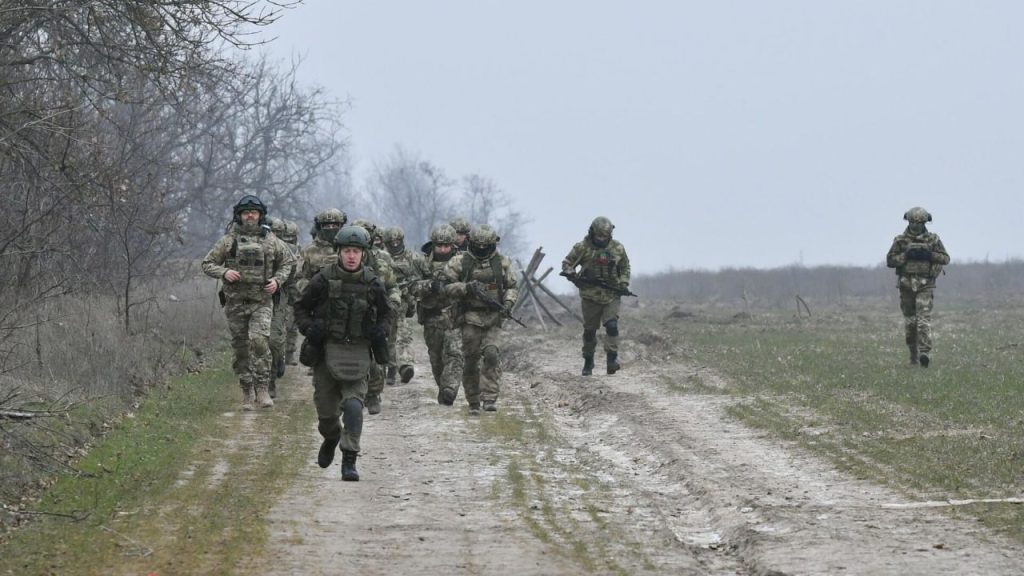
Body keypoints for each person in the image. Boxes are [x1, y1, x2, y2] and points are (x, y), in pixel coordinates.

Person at [292, 225, 392, 481]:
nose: (351, 256)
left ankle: (349, 460)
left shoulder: (372, 283)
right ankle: (332, 437)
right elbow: (301, 308)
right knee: (327, 414)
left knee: (354, 406)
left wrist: (381, 330)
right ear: (339, 252)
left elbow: (386, 314)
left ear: (364, 254)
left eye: (356, 251)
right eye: (347, 250)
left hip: (359, 352)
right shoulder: (322, 280)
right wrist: (309, 328)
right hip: (327, 352)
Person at [202, 195, 295, 410]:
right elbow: (207, 263)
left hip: (261, 302)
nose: (250, 215)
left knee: (260, 342)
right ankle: (246, 391)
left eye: (254, 212)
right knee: (241, 348)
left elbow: (288, 261)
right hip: (235, 303)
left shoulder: (271, 240)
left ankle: (262, 388)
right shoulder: (228, 241)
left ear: (261, 215)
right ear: (239, 216)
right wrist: (224, 272)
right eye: (246, 212)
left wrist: (277, 281)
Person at [442, 224, 519, 413]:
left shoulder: (503, 262)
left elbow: (512, 286)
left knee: (492, 354)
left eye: (486, 246)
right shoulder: (459, 262)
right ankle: (473, 400)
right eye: (479, 246)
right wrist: (466, 288)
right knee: (471, 359)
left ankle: (490, 397)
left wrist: (508, 303)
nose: (482, 249)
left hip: (493, 317)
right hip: (469, 317)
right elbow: (445, 287)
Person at [561, 216, 631, 376]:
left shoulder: (617, 248)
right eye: (598, 236)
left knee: (612, 326)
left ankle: (612, 360)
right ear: (592, 233)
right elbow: (566, 263)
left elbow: (625, 266)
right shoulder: (582, 248)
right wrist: (572, 273)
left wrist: (623, 283)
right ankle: (588, 360)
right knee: (590, 331)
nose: (601, 239)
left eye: (604, 236)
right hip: (590, 296)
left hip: (611, 294)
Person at [886, 207, 950, 367]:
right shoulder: (900, 240)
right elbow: (890, 261)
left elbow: (945, 258)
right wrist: (906, 255)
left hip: (925, 285)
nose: (916, 226)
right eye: (913, 222)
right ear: (908, 222)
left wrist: (929, 255)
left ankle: (924, 353)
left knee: (923, 320)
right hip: (906, 285)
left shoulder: (933, 240)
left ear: (925, 223)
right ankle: (913, 354)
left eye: (919, 222)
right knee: (910, 322)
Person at [352, 219, 402, 415]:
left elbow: (392, 287)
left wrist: (393, 305)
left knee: (375, 360)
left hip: (374, 318)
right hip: (346, 316)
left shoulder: (381, 261)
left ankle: (373, 394)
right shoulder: (339, 259)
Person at [412, 225, 465, 405]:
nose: (443, 249)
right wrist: (429, 286)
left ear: (452, 245)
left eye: (446, 246)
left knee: (455, 354)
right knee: (436, 359)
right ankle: (443, 388)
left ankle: (450, 388)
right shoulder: (423, 262)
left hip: (455, 317)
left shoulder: (463, 262)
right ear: (433, 245)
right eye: (439, 245)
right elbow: (411, 286)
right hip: (432, 318)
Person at [382, 226, 429, 386]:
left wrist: (417, 287)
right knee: (387, 337)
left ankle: (405, 365)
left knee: (403, 334)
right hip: (384, 303)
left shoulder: (414, 258)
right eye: (391, 242)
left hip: (404, 303)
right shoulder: (382, 257)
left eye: (397, 241)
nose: (395, 244)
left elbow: (428, 277)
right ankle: (390, 368)